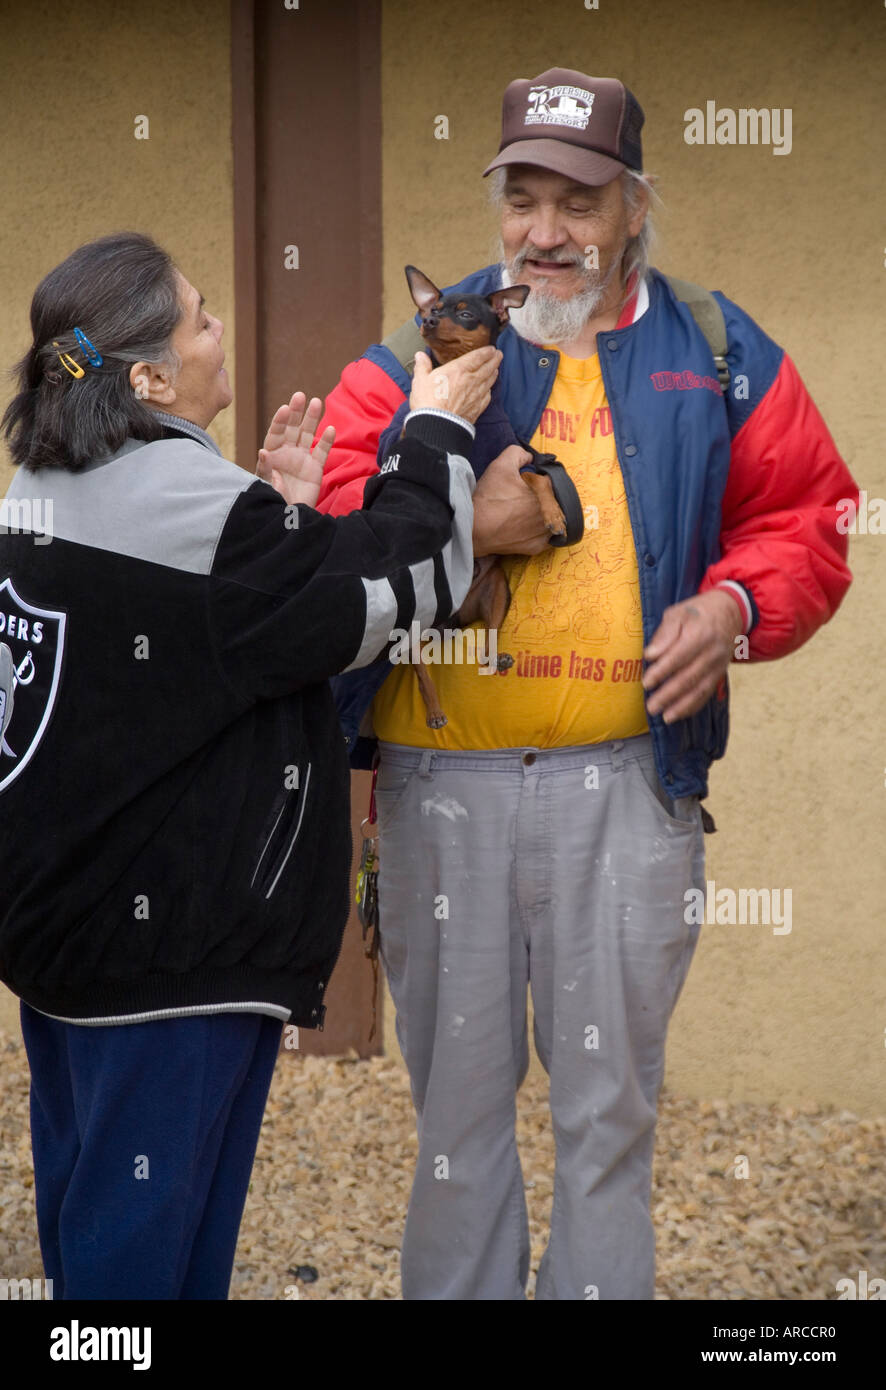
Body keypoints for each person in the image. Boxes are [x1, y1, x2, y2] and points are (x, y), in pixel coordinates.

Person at [296, 67, 859, 1300]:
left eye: (579, 202)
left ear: (633, 210)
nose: (545, 233)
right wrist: (462, 526)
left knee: (609, 1116)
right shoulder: (423, 349)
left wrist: (735, 606)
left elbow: (810, 514)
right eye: (523, 198)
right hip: (443, 791)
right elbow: (328, 541)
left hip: (631, 790)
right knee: (455, 1121)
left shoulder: (711, 345)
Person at [0, 230, 500, 1299]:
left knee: (97, 1225)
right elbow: (405, 579)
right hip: (167, 977)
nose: (222, 334)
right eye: (203, 319)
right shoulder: (201, 523)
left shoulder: (45, 488)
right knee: (141, 1269)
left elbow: (214, 645)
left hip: (75, 956)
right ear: (149, 376)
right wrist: (434, 427)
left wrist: (283, 514)